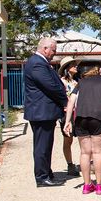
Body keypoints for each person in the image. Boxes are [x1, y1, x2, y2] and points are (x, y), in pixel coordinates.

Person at [63, 65, 101, 195]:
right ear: (99, 71)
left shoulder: (81, 83)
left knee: (85, 153)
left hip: (81, 118)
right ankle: (99, 186)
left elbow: (71, 101)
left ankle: (87, 185)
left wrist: (67, 122)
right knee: (97, 152)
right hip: (99, 118)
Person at [23, 37, 68, 187]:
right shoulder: (37, 63)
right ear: (45, 49)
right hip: (41, 112)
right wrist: (65, 101)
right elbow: (50, 86)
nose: (55, 53)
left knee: (46, 145)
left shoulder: (40, 63)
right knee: (42, 146)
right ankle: (42, 177)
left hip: (44, 112)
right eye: (53, 50)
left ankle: (46, 173)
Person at [58, 58, 81, 177]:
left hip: (78, 112)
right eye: (73, 65)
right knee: (68, 139)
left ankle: (87, 162)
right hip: (66, 113)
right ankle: (70, 164)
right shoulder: (61, 82)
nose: (76, 66)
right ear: (67, 68)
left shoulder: (77, 81)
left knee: (83, 138)